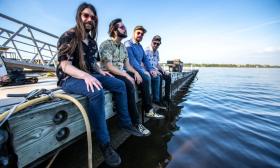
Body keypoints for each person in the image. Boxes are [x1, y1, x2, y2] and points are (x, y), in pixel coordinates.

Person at [56, 3, 143, 167]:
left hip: (90, 73)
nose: (89, 19)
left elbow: (92, 63)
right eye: (86, 15)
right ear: (79, 17)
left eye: (93, 17)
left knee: (119, 84)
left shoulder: (92, 42)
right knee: (96, 91)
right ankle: (105, 144)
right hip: (69, 78)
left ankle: (125, 123)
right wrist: (85, 76)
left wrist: (100, 71)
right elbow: (65, 66)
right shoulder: (68, 36)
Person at [99, 18, 151, 136]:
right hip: (109, 73)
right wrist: (127, 76)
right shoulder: (106, 44)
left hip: (121, 71)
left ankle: (148, 109)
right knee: (127, 83)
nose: (125, 29)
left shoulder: (123, 47)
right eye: (122, 27)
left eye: (125, 27)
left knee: (142, 78)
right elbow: (109, 66)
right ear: (114, 30)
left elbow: (127, 65)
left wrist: (136, 73)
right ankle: (134, 123)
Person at [125, 26, 165, 119]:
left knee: (155, 76)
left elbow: (145, 59)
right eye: (138, 33)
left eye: (142, 34)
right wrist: (143, 71)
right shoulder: (128, 44)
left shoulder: (140, 46)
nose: (140, 35)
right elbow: (132, 61)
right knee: (146, 77)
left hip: (139, 69)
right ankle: (148, 110)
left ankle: (155, 100)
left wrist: (151, 69)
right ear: (134, 33)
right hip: (130, 69)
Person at [145, 35, 171, 103]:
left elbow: (157, 64)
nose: (156, 45)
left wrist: (163, 70)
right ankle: (158, 100)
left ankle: (167, 97)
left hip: (155, 69)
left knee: (168, 76)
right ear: (151, 42)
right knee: (160, 76)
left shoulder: (157, 52)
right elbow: (144, 63)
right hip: (149, 69)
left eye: (158, 44)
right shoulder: (146, 51)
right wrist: (154, 70)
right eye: (154, 43)